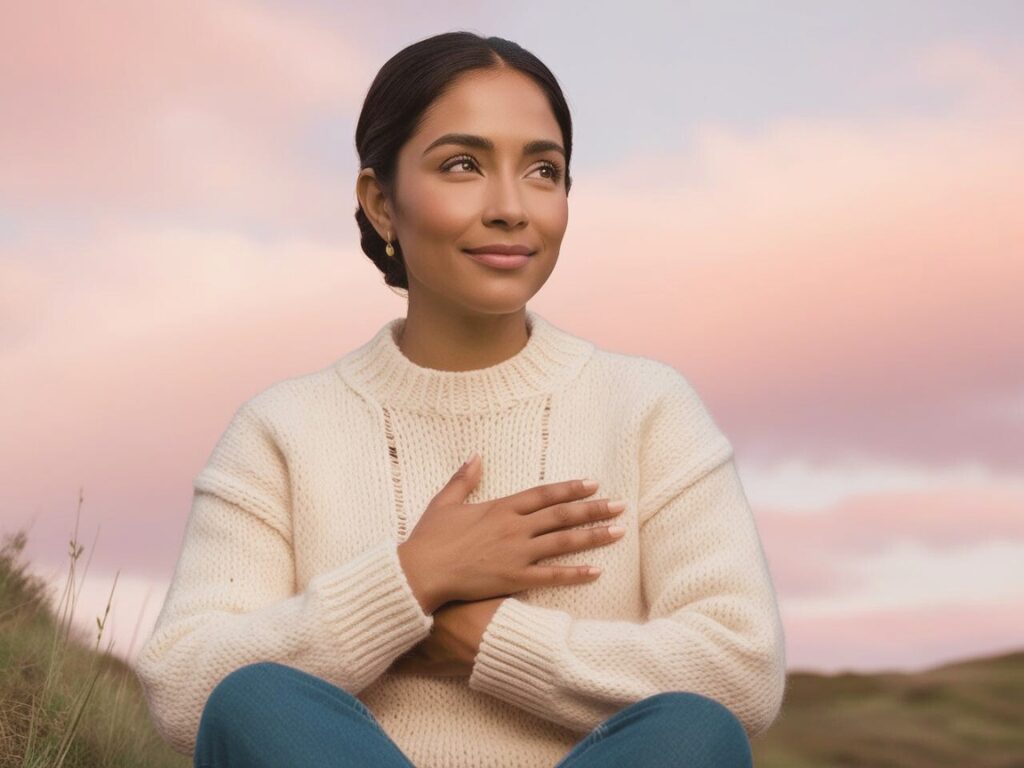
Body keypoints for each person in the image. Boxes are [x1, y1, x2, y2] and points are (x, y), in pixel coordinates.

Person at [134, 30, 786, 768]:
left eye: (544, 170)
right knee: (257, 701)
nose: (512, 207)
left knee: (694, 730)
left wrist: (489, 640)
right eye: (464, 165)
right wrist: (413, 579)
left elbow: (742, 673)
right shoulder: (281, 428)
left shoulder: (648, 407)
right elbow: (188, 690)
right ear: (381, 202)